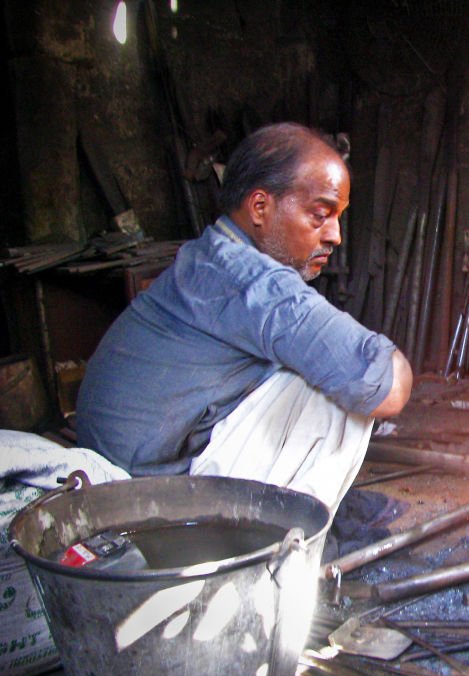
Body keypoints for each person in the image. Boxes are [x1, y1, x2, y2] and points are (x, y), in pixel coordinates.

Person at [77, 123, 412, 514]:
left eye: (338, 217)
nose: (335, 235)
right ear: (259, 207)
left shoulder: (209, 255)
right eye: (320, 215)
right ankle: (282, 542)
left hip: (120, 470)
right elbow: (386, 387)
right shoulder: (252, 282)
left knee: (312, 362)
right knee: (334, 388)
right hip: (144, 497)